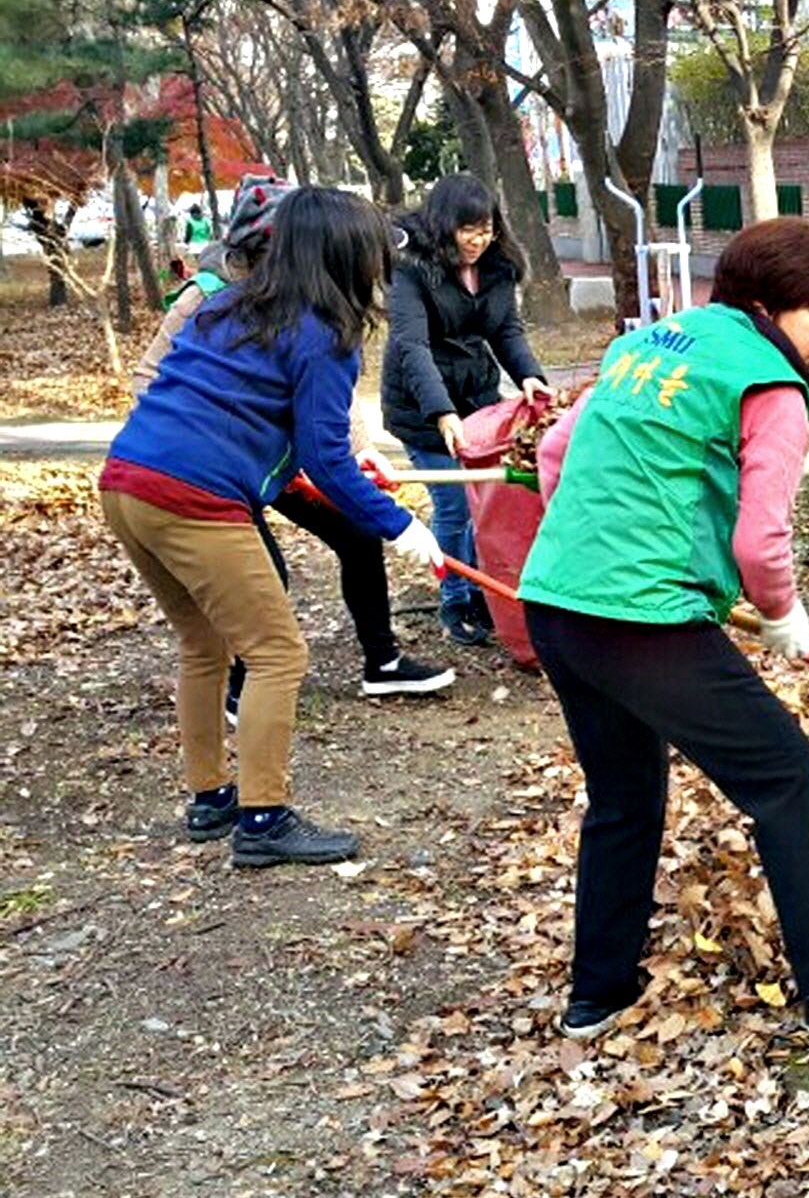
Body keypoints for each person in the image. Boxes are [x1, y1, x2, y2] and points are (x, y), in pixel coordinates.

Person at [517, 218, 809, 1043]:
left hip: (557, 601)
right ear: (768, 305)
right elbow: (760, 540)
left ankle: (597, 993)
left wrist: (595, 547)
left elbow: (558, 456)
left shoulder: (645, 346)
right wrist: (784, 615)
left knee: (625, 794)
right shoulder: (771, 388)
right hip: (643, 616)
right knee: (783, 773)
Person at [99, 187, 448, 868]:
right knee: (276, 653)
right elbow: (324, 457)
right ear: (346, 255)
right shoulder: (323, 334)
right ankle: (262, 818)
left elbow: (280, 431)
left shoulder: (227, 304)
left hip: (126, 482)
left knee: (204, 644)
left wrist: (354, 479)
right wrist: (401, 527)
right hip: (193, 497)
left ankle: (210, 798)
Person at [139, 176, 453, 713]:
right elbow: (155, 378)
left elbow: (326, 393)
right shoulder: (214, 297)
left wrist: (356, 449)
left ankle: (382, 662)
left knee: (356, 532)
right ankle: (244, 686)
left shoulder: (321, 313)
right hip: (221, 468)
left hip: (286, 461)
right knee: (263, 573)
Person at [381, 173, 552, 646]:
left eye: (486, 229)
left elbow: (505, 331)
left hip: (477, 400)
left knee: (487, 502)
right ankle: (454, 600)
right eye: (467, 229)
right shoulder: (412, 267)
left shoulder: (497, 266)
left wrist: (530, 377)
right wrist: (440, 412)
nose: (478, 240)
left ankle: (484, 592)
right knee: (454, 505)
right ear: (443, 225)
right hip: (421, 406)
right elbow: (411, 346)